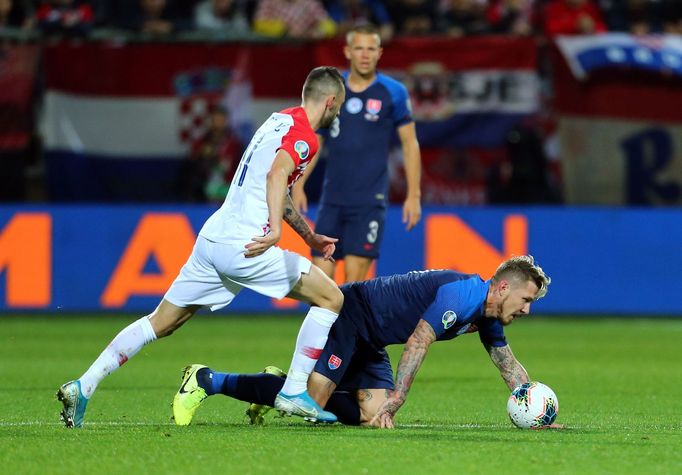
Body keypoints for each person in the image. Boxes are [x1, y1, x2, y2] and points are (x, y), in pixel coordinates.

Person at [57, 66, 347, 428]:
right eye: (339, 107)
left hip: (214, 238)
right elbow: (276, 176)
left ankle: (83, 386)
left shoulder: (280, 120)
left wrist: (308, 237)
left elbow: (276, 186)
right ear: (331, 101)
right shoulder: (306, 137)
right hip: (247, 245)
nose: (337, 114)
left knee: (161, 322)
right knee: (331, 298)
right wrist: (275, 231)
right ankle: (293, 390)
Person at [171, 255, 552, 428]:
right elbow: (419, 341)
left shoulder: (488, 315)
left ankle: (288, 383)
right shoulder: (463, 296)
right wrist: (399, 398)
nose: (527, 310)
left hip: (374, 339)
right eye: (526, 300)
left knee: (373, 416)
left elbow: (507, 364)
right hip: (352, 313)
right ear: (503, 287)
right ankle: (209, 380)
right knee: (310, 405)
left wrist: (536, 412)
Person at [292, 24, 422, 284]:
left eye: (371, 49)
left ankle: (348, 326)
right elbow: (316, 139)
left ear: (379, 53)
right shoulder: (333, 89)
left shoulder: (393, 92)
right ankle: (325, 327)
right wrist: (299, 182)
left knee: (352, 285)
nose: (365, 54)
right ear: (347, 52)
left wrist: (414, 194)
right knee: (319, 283)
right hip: (332, 200)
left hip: (369, 202)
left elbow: (410, 143)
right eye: (359, 48)